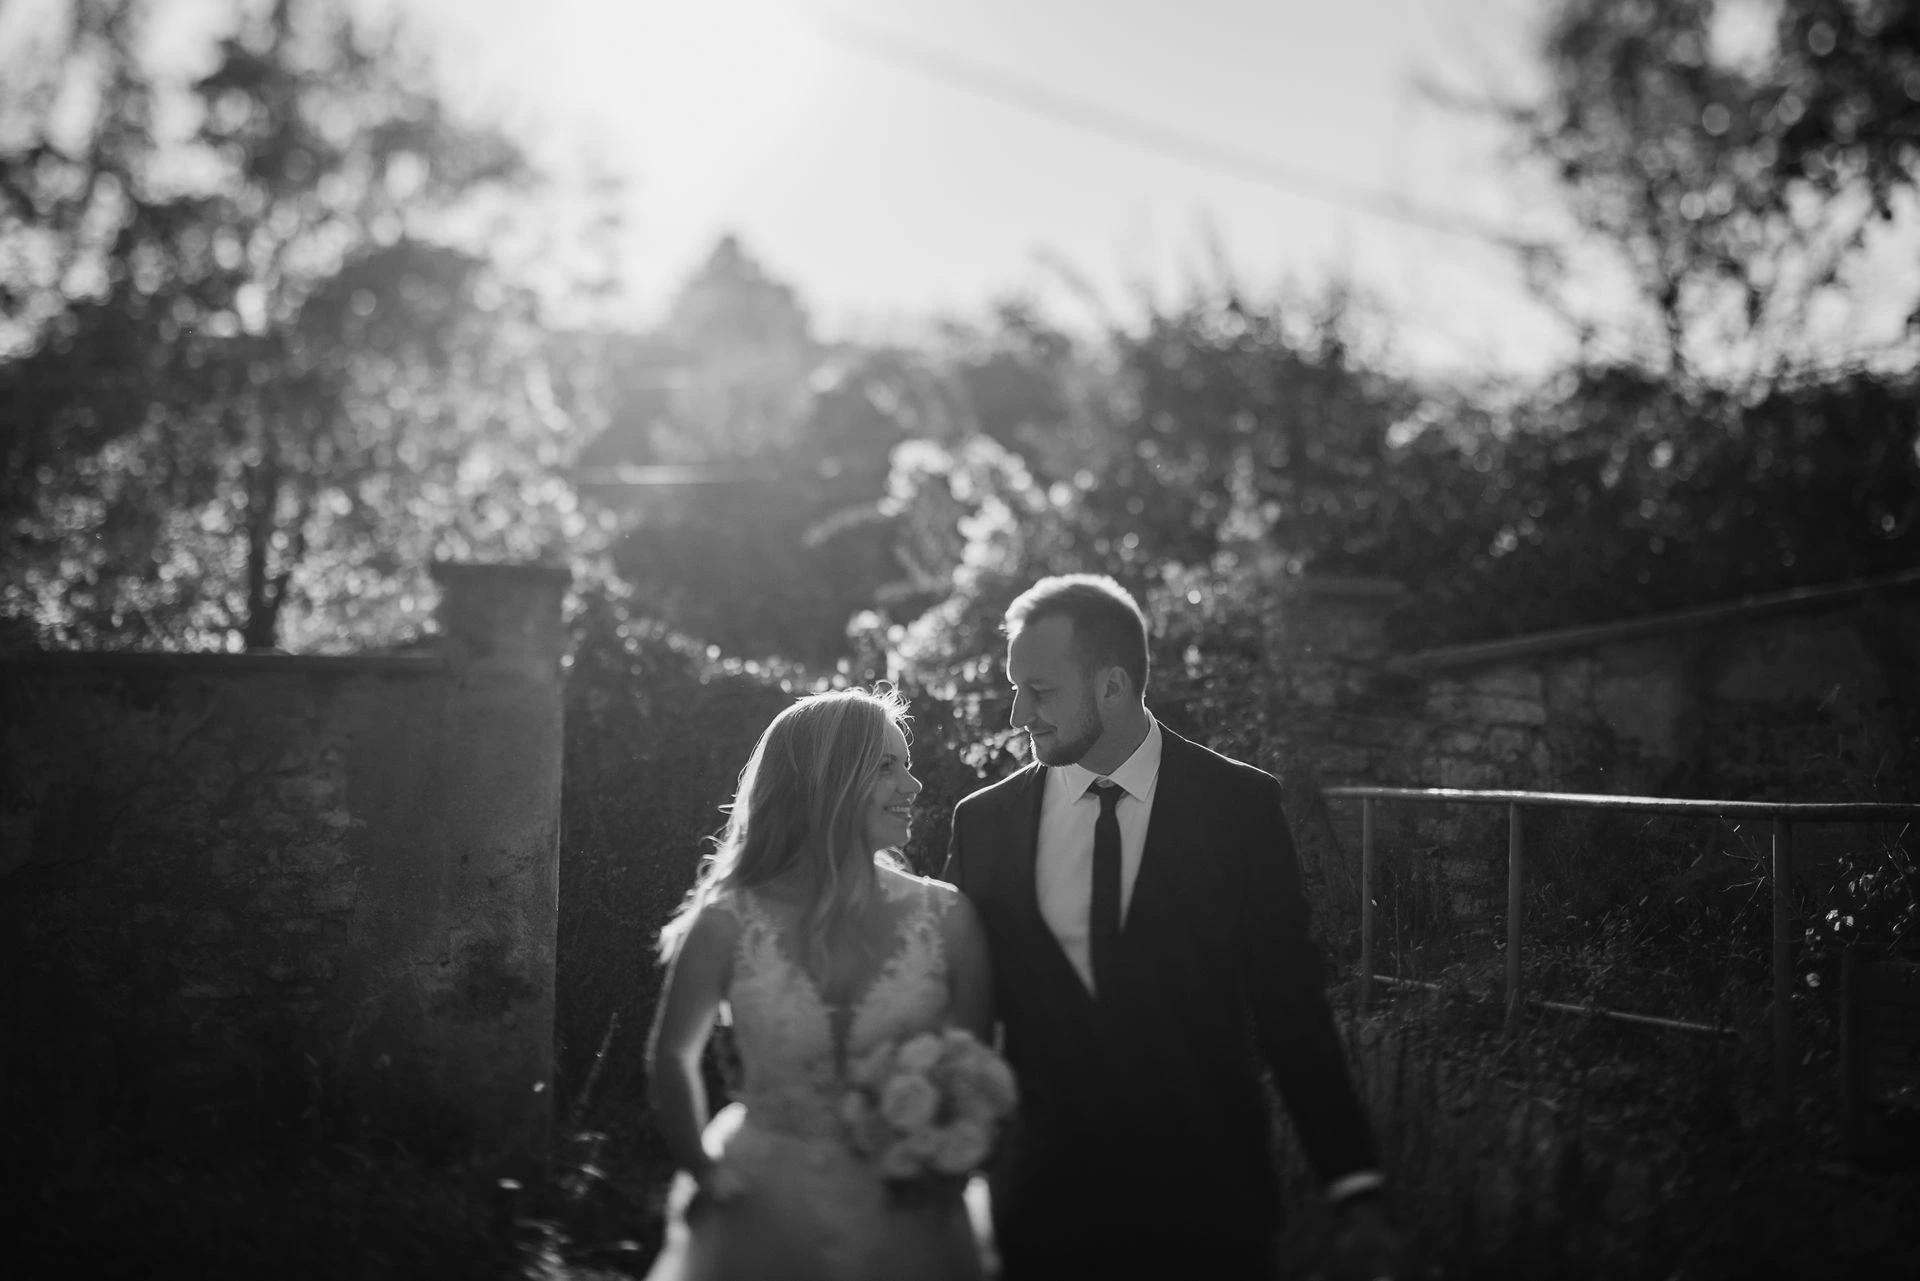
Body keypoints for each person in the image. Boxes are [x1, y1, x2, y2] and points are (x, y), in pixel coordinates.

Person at [944, 574, 1406, 1279]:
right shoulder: (983, 823)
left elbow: (1291, 1008)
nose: (1016, 713)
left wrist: (1354, 1186)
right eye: (1014, 688)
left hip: (1208, 1209)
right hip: (1039, 1211)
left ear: (1113, 685)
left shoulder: (1239, 806)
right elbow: (956, 1007)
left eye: (1039, 690)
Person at [645, 688, 996, 1281]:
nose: (913, 785)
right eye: (886, 766)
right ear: (826, 780)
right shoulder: (729, 921)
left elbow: (974, 1069)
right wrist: (702, 1167)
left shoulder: (948, 919)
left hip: (907, 1213)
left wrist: (945, 1163)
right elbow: (672, 1056)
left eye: (906, 765)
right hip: (762, 1209)